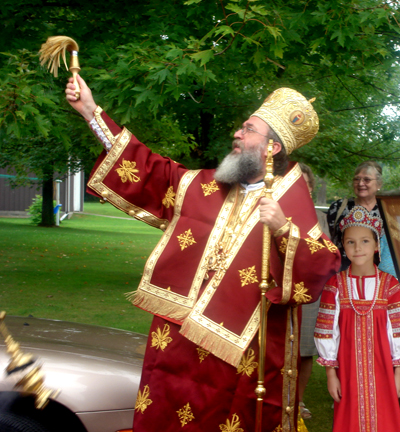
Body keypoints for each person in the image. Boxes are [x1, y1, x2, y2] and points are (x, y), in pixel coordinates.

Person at [65, 76, 340, 432]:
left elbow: (319, 267)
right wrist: (91, 112)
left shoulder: (291, 204)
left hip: (239, 351)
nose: (237, 134)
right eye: (241, 127)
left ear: (271, 148)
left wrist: (283, 229)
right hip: (176, 339)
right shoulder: (204, 186)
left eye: (249, 129)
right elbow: (150, 169)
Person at [315, 205, 400, 431]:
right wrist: (331, 374)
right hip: (347, 370)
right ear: (343, 245)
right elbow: (326, 332)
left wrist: (398, 372)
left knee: (385, 417)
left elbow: (398, 331)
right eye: (350, 242)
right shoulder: (335, 285)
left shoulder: (391, 285)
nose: (358, 248)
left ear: (377, 245)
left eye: (365, 241)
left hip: (383, 369)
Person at [297, 162, 329, 420]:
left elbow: (327, 257)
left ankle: (297, 401)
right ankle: (276, 399)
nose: (302, 188)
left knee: (305, 351)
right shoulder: (275, 211)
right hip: (279, 293)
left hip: (309, 295)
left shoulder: (320, 219)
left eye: (306, 184)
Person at [327, 161, 383, 271]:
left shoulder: (388, 210)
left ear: (379, 184)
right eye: (357, 179)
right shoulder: (338, 207)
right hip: (342, 272)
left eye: (367, 179)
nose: (360, 183)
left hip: (378, 274)